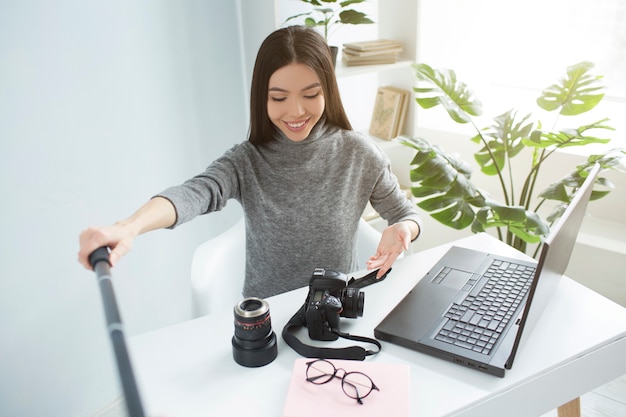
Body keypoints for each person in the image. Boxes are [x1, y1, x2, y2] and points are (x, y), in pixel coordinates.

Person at [78, 25, 422, 299]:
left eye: (311, 94)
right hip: (266, 317)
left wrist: (404, 230)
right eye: (279, 97)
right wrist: (129, 226)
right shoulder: (246, 161)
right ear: (263, 97)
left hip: (334, 310)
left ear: (328, 92)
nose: (296, 111)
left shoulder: (358, 154)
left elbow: (406, 215)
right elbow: (194, 193)